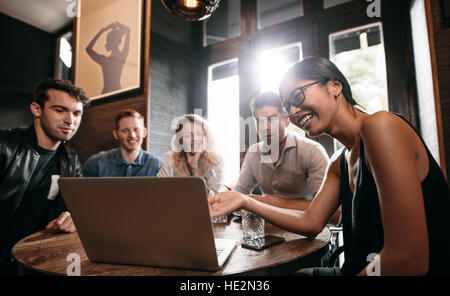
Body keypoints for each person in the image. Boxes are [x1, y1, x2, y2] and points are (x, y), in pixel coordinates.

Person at [209, 56, 450, 276]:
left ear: (335, 85)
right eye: (287, 107)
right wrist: (245, 200)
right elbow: (311, 221)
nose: (292, 112)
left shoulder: (382, 126)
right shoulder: (339, 160)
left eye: (297, 96)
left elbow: (408, 258)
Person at [0, 78, 90, 275]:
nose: (70, 120)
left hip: (37, 255)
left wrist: (73, 216)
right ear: (36, 109)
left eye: (76, 113)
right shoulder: (5, 147)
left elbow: (79, 208)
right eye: (60, 110)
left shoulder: (71, 158)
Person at [234, 91, 329, 212]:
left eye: (271, 119)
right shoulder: (253, 153)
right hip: (267, 227)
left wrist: (270, 202)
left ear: (287, 121)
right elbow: (239, 195)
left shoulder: (312, 151)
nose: (265, 127)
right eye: (259, 121)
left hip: (304, 228)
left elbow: (330, 212)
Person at [158, 114, 224, 196]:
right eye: (188, 135)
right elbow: (160, 191)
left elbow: (216, 199)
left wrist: (195, 169)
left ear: (205, 137)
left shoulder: (216, 160)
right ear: (180, 140)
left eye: (199, 134)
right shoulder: (170, 157)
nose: (194, 139)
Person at [82, 109, 161, 177]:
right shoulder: (95, 164)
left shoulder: (156, 165)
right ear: (116, 134)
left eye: (136, 130)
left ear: (144, 132)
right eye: (125, 130)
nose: (132, 135)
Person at [86, 21, 130, 94]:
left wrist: (103, 30)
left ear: (116, 41)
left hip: (110, 93)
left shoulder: (106, 60)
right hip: (113, 92)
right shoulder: (108, 59)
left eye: (109, 40)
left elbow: (88, 49)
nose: (107, 43)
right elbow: (128, 30)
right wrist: (103, 30)